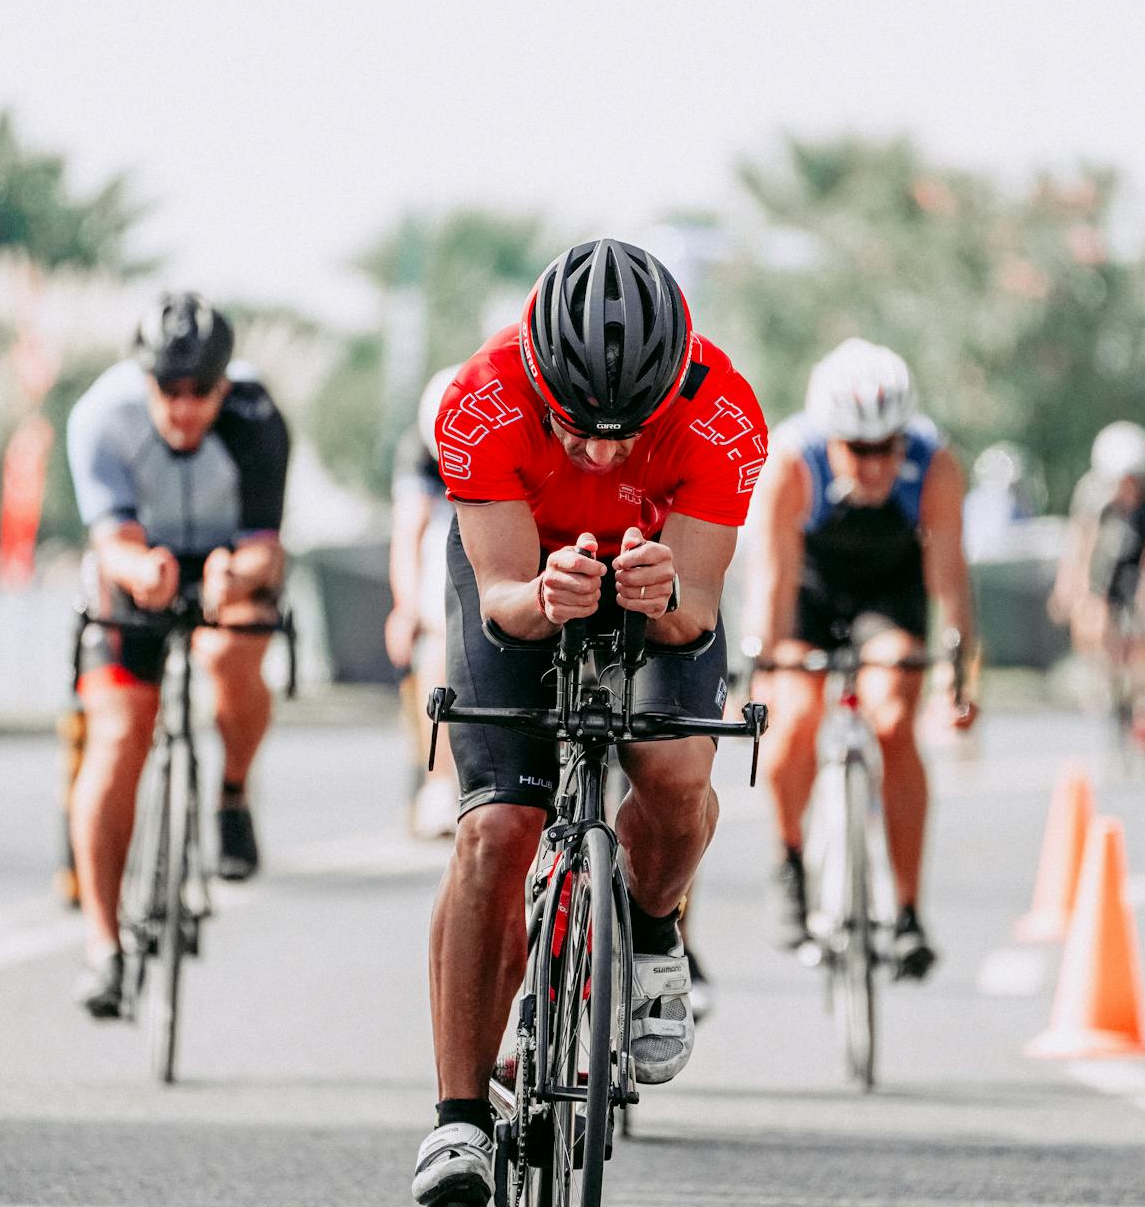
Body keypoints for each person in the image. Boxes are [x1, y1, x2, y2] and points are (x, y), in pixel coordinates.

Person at [411, 239, 765, 1206]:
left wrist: (665, 596)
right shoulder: (480, 402)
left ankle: (654, 935)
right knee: (494, 831)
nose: (605, 452)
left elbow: (695, 608)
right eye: (578, 428)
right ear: (536, 378)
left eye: (630, 432)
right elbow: (501, 603)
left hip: (657, 581)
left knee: (675, 773)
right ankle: (458, 1124)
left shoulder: (725, 414)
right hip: (531, 579)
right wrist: (543, 591)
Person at [63, 292, 290, 1018]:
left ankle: (232, 793)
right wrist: (144, 575)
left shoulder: (256, 418)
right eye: (169, 389)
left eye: (201, 392)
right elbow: (110, 540)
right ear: (145, 378)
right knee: (120, 734)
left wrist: (235, 575)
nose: (184, 408)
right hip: (138, 566)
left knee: (234, 653)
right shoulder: (102, 417)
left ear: (225, 384)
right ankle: (103, 947)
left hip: (228, 565)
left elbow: (267, 548)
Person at [743, 339, 977, 982]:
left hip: (887, 597)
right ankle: (788, 863)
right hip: (811, 595)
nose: (876, 466)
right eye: (858, 449)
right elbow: (773, 579)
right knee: (794, 715)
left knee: (894, 718)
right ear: (830, 437)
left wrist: (957, 678)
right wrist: (762, 671)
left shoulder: (935, 466)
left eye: (889, 447)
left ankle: (905, 913)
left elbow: (950, 581)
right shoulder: (793, 461)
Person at [1050, 421, 1145, 739]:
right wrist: (1073, 589)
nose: (1128, 489)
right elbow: (1080, 544)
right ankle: (1111, 685)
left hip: (1138, 568)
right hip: (1106, 571)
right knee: (1099, 626)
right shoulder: (1094, 498)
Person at [387, 368, 461, 840]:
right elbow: (409, 532)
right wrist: (408, 608)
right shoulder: (419, 450)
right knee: (438, 643)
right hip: (450, 532)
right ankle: (438, 781)